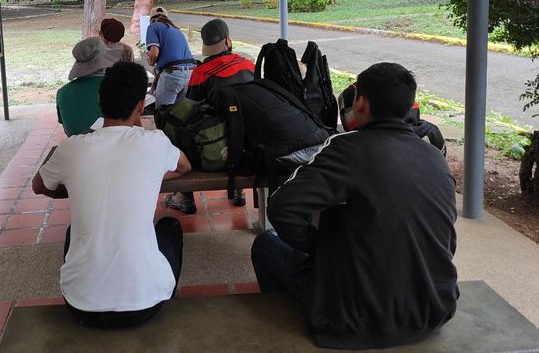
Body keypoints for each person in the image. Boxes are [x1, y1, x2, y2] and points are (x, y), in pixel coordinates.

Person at [251, 63, 458, 350]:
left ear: (360, 102)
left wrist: (316, 245)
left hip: (349, 323)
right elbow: (446, 238)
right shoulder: (435, 157)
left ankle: (285, 337)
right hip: (432, 311)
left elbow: (282, 208)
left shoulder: (345, 148)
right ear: (409, 106)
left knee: (265, 244)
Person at [32, 62, 192, 328]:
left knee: (75, 232)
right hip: (145, 306)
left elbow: (39, 185)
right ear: (141, 106)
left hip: (80, 305)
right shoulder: (155, 142)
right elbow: (184, 167)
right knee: (170, 226)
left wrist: (76, 182)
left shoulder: (72, 148)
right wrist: (150, 174)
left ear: (99, 101)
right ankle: (160, 291)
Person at [164, 18, 255, 214]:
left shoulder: (201, 73)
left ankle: (185, 196)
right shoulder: (248, 65)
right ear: (228, 41)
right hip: (248, 141)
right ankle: (239, 192)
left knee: (179, 129)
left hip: (215, 144)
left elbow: (189, 109)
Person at [56, 37, 121, 136]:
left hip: (77, 147)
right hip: (111, 145)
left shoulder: (62, 93)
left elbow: (67, 128)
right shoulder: (117, 87)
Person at [145, 7, 195, 107]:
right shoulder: (176, 29)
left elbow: (154, 53)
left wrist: (151, 61)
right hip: (190, 74)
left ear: (151, 19)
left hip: (172, 74)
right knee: (178, 114)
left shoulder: (153, 27)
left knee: (163, 113)